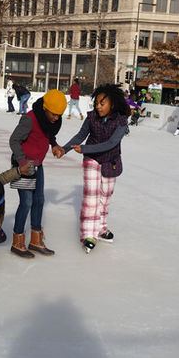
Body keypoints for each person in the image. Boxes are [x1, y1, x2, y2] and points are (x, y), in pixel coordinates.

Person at [59, 84, 130, 248]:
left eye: (102, 103)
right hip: (92, 159)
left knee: (105, 198)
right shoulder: (91, 117)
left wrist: (84, 148)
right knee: (91, 198)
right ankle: (88, 235)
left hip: (111, 161)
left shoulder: (121, 121)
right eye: (96, 103)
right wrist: (65, 149)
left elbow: (111, 143)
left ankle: (101, 228)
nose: (98, 107)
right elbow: (80, 136)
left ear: (112, 104)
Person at [8, 90, 67, 258]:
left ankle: (35, 240)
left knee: (39, 201)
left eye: (59, 115)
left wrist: (54, 144)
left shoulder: (50, 120)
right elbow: (14, 140)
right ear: (45, 109)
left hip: (37, 165)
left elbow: (48, 134)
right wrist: (22, 162)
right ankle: (17, 241)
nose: (56, 118)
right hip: (24, 164)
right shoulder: (30, 119)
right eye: (54, 114)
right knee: (26, 202)